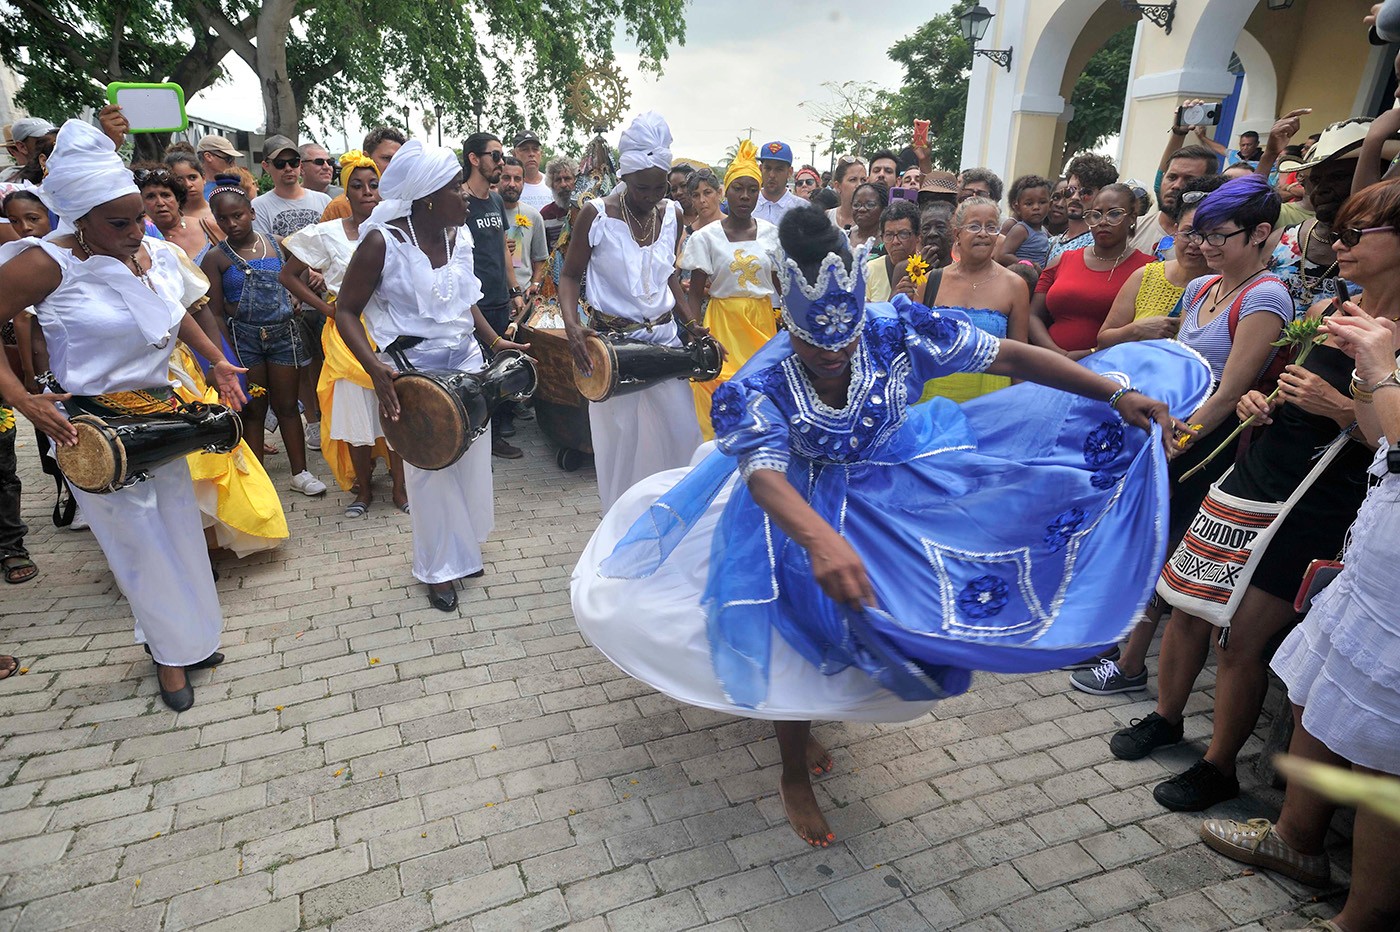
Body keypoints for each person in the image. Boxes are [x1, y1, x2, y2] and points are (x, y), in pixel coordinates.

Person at [571, 204, 1206, 848]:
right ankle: (793, 769)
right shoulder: (761, 380)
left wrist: (1114, 394)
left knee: (903, 619)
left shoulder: (893, 326)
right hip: (797, 506)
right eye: (815, 345)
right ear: (786, 322)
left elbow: (1012, 356)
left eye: (845, 340)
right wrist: (820, 541)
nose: (835, 355)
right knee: (795, 634)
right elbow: (763, 473)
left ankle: (818, 713)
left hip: (893, 486)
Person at [1108, 178, 1358, 818]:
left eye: (1219, 235)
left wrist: (1190, 435)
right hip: (1245, 465)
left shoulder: (1273, 295)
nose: (1204, 245)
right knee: (1185, 597)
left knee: (1239, 635)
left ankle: (1219, 765)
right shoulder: (1332, 311)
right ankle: (1165, 718)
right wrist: (1261, 405)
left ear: (1261, 237)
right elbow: (1253, 385)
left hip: (1276, 480)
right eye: (1200, 233)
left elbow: (1234, 384)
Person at [0, 120, 246, 710]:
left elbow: (174, 310)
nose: (138, 230)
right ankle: (169, 657)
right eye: (120, 222)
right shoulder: (45, 265)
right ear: (79, 218)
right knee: (138, 546)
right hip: (91, 430)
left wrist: (215, 361)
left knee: (179, 529)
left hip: (160, 412)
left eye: (140, 216)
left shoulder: (152, 250)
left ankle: (192, 638)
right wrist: (21, 397)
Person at [1196, 292, 1400, 932]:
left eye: (1362, 234)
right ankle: (1296, 838)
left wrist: (1378, 367)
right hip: (1377, 554)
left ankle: (1361, 916)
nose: (1344, 245)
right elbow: (1379, 438)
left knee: (1383, 758)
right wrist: (1368, 377)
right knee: (1318, 691)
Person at [335, 140, 527, 612]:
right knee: (430, 472)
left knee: (468, 462)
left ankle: (462, 551)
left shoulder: (456, 236)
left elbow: (465, 302)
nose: (465, 194)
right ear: (426, 199)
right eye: (455, 188)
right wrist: (375, 369)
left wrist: (495, 342)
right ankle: (437, 569)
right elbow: (344, 311)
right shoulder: (383, 243)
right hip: (413, 372)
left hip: (465, 365)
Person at [558, 112, 711, 511]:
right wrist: (573, 326)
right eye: (642, 187)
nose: (651, 195)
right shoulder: (596, 215)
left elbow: (669, 277)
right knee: (619, 449)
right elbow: (570, 277)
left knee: (681, 436)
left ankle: (674, 525)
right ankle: (619, 532)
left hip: (663, 344)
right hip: (612, 349)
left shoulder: (673, 214)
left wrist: (692, 324)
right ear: (625, 178)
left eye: (659, 187)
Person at [280, 151, 407, 518]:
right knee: (354, 415)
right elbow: (287, 275)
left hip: (387, 332)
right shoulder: (327, 233)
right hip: (346, 336)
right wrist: (326, 308)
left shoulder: (394, 231)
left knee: (395, 409)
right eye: (358, 185)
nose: (367, 192)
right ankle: (363, 491)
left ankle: (400, 488)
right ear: (345, 193)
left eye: (374, 185)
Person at [200, 176, 328, 496]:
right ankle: (256, 477)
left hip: (283, 336)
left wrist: (294, 299)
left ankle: (300, 473)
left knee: (287, 405)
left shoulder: (277, 243)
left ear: (252, 212)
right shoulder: (215, 258)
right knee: (254, 409)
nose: (232, 223)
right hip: (245, 342)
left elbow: (295, 277)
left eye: (238, 215)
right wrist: (224, 353)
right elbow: (214, 311)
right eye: (223, 218)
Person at [682, 140, 782, 440]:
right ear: (727, 190)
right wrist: (693, 331)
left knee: (761, 395)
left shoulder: (771, 234)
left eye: (753, 189)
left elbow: (781, 284)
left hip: (761, 324)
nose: (745, 196)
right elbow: (696, 291)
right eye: (739, 188)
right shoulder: (706, 238)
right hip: (722, 323)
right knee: (719, 391)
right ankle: (718, 462)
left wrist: (792, 318)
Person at [918, 196, 1029, 403]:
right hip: (932, 403)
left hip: (990, 405)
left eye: (991, 227)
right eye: (974, 226)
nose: (983, 234)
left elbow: (1018, 359)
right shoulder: (931, 281)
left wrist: (1018, 408)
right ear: (956, 234)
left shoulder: (1015, 285)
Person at [1031, 184, 1153, 359]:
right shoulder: (1062, 260)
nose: (1103, 222)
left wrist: (1088, 355)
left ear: (1132, 218)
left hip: (1107, 368)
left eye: (1114, 214)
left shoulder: (1147, 269)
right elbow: (1033, 315)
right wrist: (1058, 354)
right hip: (1048, 364)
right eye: (1096, 215)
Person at [1096, 180, 1219, 350]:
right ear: (1175, 232)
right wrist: (1137, 329)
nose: (1194, 242)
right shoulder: (1145, 276)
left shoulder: (1227, 286)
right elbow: (1103, 339)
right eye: (1187, 232)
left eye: (1206, 234)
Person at [463, 132, 525, 458]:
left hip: (500, 301)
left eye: (502, 156)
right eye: (496, 156)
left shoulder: (497, 200)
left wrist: (515, 291)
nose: (501, 162)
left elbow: (503, 249)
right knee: (476, 375)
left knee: (501, 370)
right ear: (474, 159)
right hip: (472, 307)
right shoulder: (459, 201)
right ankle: (476, 436)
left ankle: (496, 436)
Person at [1271, 120, 1368, 318]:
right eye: (1315, 180)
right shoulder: (1281, 239)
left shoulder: (1382, 255)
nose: (1321, 189)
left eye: (1338, 178)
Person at [252, 136, 332, 241]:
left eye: (294, 162)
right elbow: (264, 248)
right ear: (266, 166)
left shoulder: (324, 200)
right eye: (280, 163)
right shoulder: (258, 207)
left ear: (300, 164)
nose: (288, 168)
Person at [134, 165, 218, 263]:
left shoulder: (206, 227)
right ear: (141, 203)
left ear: (178, 199)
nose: (160, 203)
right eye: (151, 197)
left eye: (166, 195)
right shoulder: (144, 240)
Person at [322, 127, 405, 222]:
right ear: (366, 158)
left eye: (399, 159)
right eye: (387, 158)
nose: (394, 165)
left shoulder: (410, 202)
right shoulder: (340, 207)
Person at [1048, 153, 1119, 264]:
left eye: (1086, 192)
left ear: (1102, 195)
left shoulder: (1098, 246)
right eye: (1070, 190)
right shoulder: (1052, 242)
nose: (1075, 197)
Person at [498, 156, 548, 299]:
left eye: (517, 179)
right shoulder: (487, 212)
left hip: (523, 297)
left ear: (523, 182)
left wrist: (536, 283)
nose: (512, 184)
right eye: (506, 178)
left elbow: (541, 259)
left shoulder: (533, 215)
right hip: (492, 298)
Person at [865, 200, 921, 303]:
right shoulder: (870, 269)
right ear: (882, 238)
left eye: (903, 234)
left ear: (918, 236)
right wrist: (893, 300)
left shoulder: (927, 268)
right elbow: (865, 315)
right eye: (889, 235)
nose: (895, 241)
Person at [164, 150, 222, 244]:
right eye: (179, 179)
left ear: (203, 178)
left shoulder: (220, 214)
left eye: (192, 177)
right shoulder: (165, 220)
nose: (188, 184)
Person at [996, 174, 1051, 267]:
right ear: (1017, 207)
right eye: (1029, 204)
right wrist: (1029, 265)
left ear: (1050, 204)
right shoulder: (1021, 230)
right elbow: (1002, 256)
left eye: (1042, 202)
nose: (1036, 207)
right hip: (1022, 276)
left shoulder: (1043, 230)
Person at [753, 140, 803, 225]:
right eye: (768, 168)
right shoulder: (749, 205)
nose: (772, 175)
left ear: (790, 172)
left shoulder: (802, 209)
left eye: (779, 169)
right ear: (760, 169)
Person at [541, 157, 578, 253]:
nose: (563, 184)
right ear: (551, 184)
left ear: (576, 180)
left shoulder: (587, 209)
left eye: (567, 178)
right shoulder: (546, 214)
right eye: (558, 180)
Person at [825, 156, 867, 238]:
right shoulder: (826, 218)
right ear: (837, 186)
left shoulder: (872, 221)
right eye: (853, 180)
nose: (859, 185)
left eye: (863, 180)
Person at [511, 131, 553, 212]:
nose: (531, 154)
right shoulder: (509, 187)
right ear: (514, 154)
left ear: (541, 153)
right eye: (525, 149)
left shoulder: (553, 184)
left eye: (535, 149)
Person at [195, 134, 243, 200]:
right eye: (228, 159)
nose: (234, 164)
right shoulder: (193, 189)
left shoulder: (239, 183)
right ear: (208, 157)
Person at [845, 182, 887, 251]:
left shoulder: (888, 241)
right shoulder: (844, 237)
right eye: (856, 205)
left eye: (870, 205)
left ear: (883, 209)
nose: (861, 209)